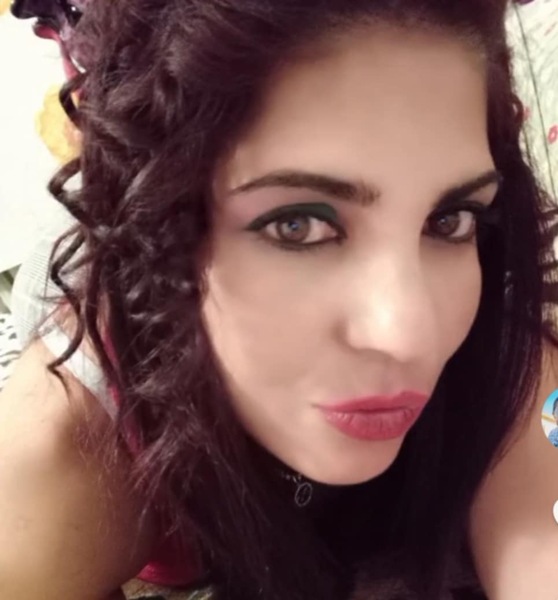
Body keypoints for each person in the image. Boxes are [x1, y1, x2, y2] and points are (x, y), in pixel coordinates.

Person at [2, 0, 558, 599]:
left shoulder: (500, 329)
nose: (409, 333)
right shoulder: (67, 441)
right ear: (164, 230)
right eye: (297, 225)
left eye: (450, 219)